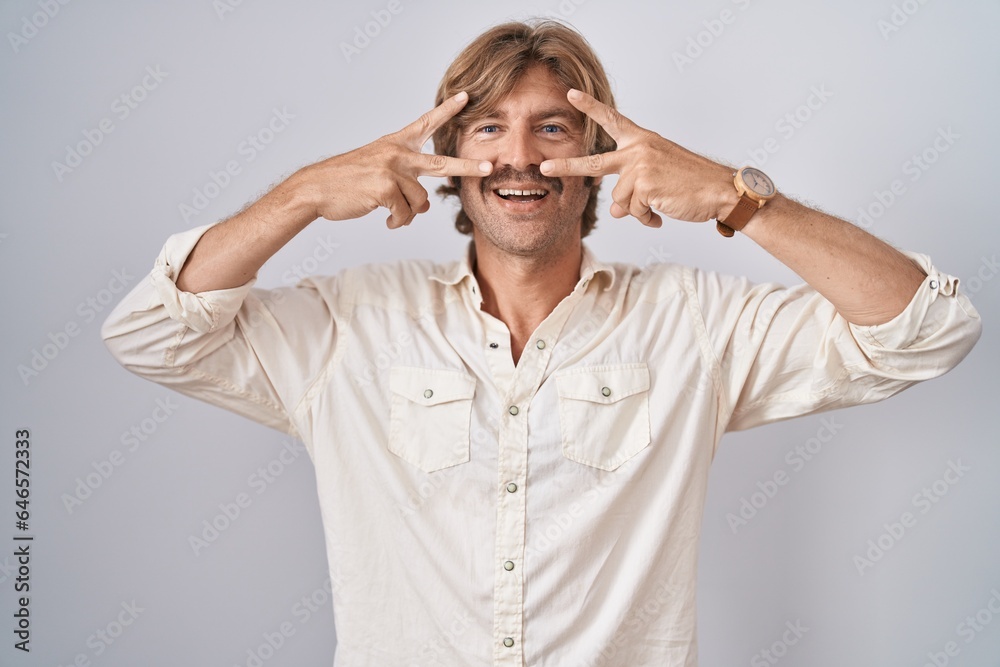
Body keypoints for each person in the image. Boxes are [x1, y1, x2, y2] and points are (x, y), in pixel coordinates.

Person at [102, 19, 981, 667]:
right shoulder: (350, 324)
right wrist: (296, 194)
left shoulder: (694, 325)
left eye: (551, 128)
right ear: (448, 155)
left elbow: (927, 327)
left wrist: (732, 196)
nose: (518, 157)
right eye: (489, 128)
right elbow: (149, 333)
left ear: (601, 153)